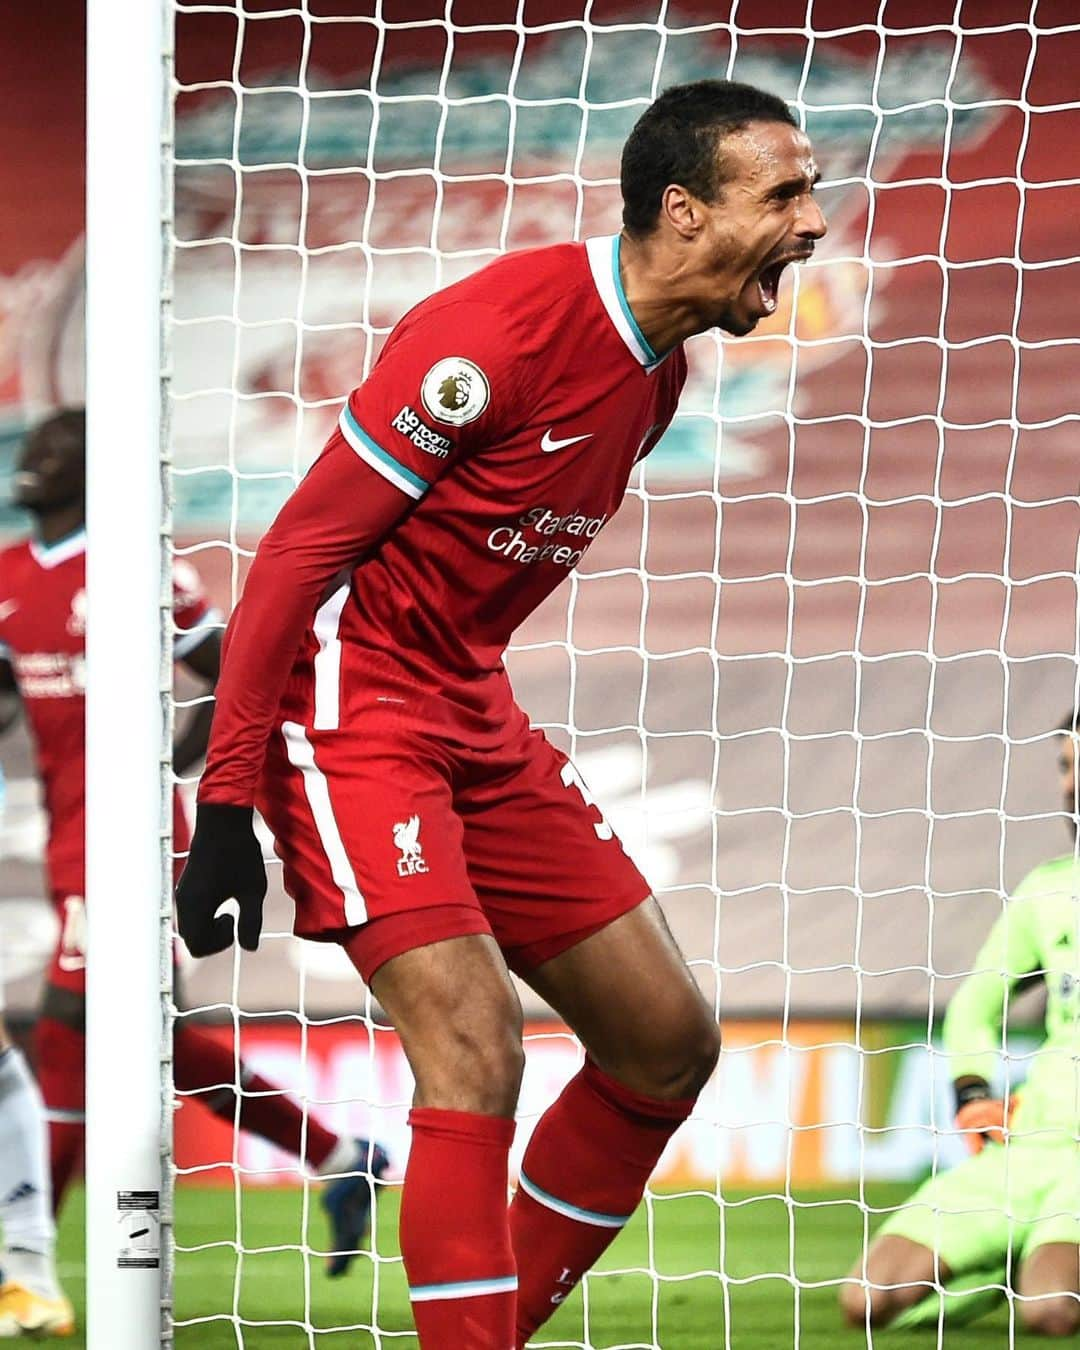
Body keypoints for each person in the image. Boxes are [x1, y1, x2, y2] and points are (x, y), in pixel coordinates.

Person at [177, 78, 825, 1347]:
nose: (814, 224)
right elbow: (297, 560)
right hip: (351, 702)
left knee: (664, 1042)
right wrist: (229, 800)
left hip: (469, 705)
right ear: (683, 212)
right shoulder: (495, 340)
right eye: (786, 194)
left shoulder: (658, 380)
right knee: (473, 1050)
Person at [0, 411, 389, 1305]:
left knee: (67, 1033)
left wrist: (180, 751)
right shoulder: (11, 578)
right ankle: (343, 1158)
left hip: (137, 838)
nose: (34, 460)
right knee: (157, 1048)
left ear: (93, 468)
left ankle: (27, 1272)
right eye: (33, 445)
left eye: (57, 447)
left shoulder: (142, 568)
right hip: (67, 835)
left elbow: (239, 673)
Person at [841, 713, 1080, 1337]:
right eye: (1065, 765)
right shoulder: (1047, 892)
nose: (1071, 783)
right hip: (1029, 1147)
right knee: (866, 1301)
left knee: (1053, 1312)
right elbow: (977, 1003)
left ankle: (1041, 1272)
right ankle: (1001, 1267)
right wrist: (974, 1093)